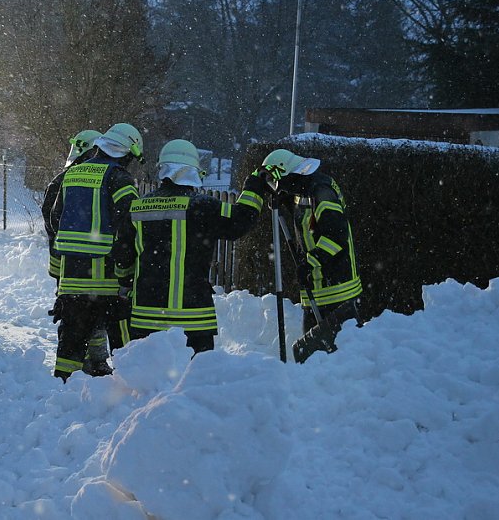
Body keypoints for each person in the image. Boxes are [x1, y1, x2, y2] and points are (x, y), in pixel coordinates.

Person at [123, 139, 268, 354]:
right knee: (194, 373)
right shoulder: (203, 206)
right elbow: (240, 221)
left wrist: (126, 285)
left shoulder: (137, 207)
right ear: (195, 172)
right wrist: (254, 187)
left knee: (148, 374)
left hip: (145, 316)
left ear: (162, 169)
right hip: (193, 318)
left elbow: (122, 255)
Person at [48, 123, 144, 382]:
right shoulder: (120, 179)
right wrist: (126, 273)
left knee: (71, 341)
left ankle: (63, 388)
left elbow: (55, 220)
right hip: (108, 282)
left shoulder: (71, 174)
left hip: (72, 281)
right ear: (128, 153)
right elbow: (129, 227)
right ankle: (128, 390)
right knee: (123, 346)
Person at [259, 148, 362, 363]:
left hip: (338, 289)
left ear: (290, 173)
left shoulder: (321, 191)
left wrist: (310, 263)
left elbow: (336, 237)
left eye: (279, 181)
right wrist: (285, 201)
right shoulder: (302, 190)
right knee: (314, 360)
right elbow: (308, 223)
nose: (279, 186)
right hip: (316, 286)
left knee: (341, 358)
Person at [41, 130, 113, 377]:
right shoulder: (95, 178)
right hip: (90, 265)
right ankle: (87, 363)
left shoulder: (65, 180)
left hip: (69, 265)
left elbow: (52, 224)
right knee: (85, 316)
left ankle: (89, 361)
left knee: (80, 316)